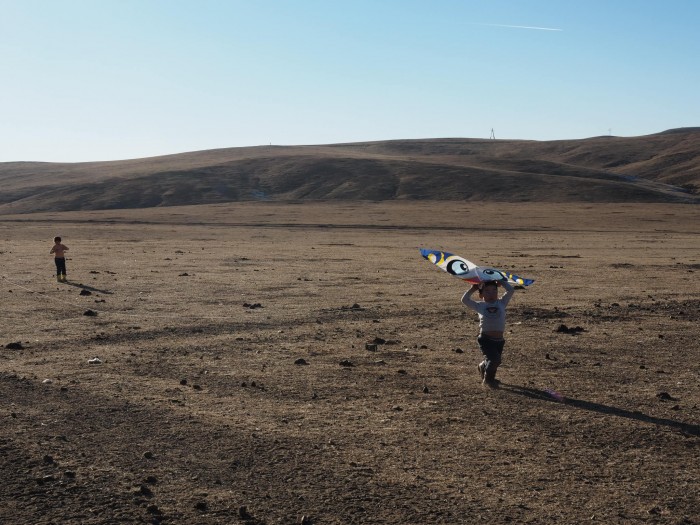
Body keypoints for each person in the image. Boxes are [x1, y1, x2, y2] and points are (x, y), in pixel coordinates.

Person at [461, 279, 515, 387]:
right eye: (487, 291)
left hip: (499, 340)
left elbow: (510, 290)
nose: (491, 294)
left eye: (494, 291)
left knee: (495, 361)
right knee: (495, 359)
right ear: (481, 295)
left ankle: (483, 366)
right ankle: (488, 380)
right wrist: (473, 289)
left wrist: (501, 281)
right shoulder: (480, 305)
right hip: (485, 339)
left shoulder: (501, 303)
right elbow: (465, 300)